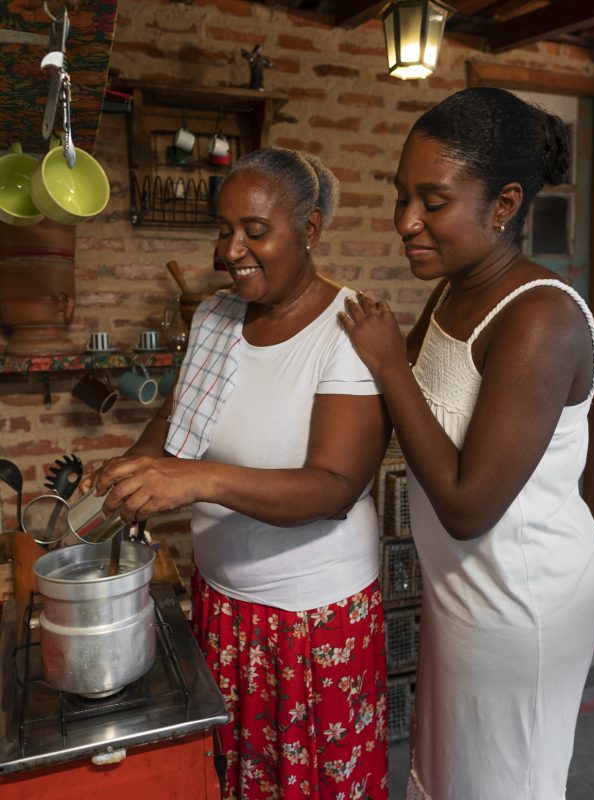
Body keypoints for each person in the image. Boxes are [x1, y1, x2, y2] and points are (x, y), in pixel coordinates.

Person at [86, 147, 391, 799]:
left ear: (308, 231)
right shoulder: (215, 317)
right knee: (240, 780)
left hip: (310, 624)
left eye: (256, 230)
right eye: (225, 230)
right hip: (226, 605)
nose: (232, 250)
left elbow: (335, 488)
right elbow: (178, 417)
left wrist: (199, 479)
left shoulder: (346, 330)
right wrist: (138, 466)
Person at [339, 87, 594, 800]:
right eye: (402, 197)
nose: (407, 222)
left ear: (505, 204)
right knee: (456, 774)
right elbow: (406, 413)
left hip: (522, 599)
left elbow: (466, 503)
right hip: (462, 589)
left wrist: (389, 361)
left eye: (433, 200)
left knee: (503, 781)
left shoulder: (541, 318)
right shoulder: (454, 290)